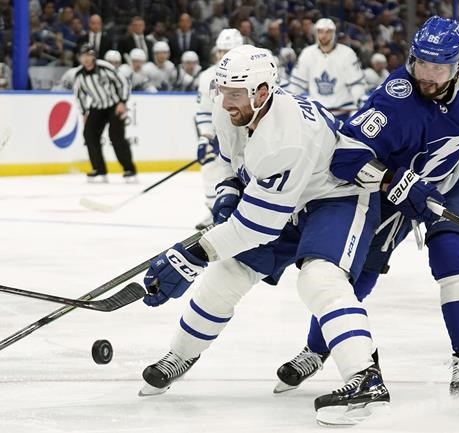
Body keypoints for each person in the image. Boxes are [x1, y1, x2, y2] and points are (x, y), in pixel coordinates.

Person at [138, 45, 389, 426]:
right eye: (222, 91)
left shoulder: (284, 139)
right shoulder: (236, 108)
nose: (225, 102)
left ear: (261, 92)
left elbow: (257, 227)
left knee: (319, 278)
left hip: (336, 197)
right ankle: (181, 354)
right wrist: (228, 192)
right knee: (228, 275)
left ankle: (365, 378)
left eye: (235, 94)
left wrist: (191, 255)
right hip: (288, 198)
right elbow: (230, 161)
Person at [274, 16, 459, 409]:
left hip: (452, 183)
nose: (426, 77)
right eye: (420, 65)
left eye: (438, 68)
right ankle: (317, 348)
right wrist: (393, 180)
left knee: (453, 259)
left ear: (458, 65)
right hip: (398, 192)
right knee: (357, 273)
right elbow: (346, 157)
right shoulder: (393, 99)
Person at [193, 28, 243, 230]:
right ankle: (215, 209)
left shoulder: (253, 72)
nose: (224, 56)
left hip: (248, 135)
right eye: (222, 51)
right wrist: (206, 137)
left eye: (229, 51)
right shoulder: (207, 77)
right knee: (210, 168)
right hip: (221, 136)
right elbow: (204, 111)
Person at [73, 43, 136, 182]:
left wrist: (122, 102)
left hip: (114, 105)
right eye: (83, 56)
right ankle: (99, 169)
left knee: (116, 136)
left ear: (94, 56)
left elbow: (123, 82)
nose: (86, 59)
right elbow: (79, 94)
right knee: (89, 134)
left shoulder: (104, 67)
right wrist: (84, 112)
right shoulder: (79, 75)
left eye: (89, 55)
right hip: (97, 107)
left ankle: (129, 169)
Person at [287, 18, 366, 122]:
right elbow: (296, 84)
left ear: (334, 33)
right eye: (320, 31)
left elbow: (357, 84)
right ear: (315, 33)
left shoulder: (347, 53)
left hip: (343, 112)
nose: (324, 35)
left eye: (328, 32)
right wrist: (288, 105)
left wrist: (358, 108)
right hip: (317, 114)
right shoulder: (307, 53)